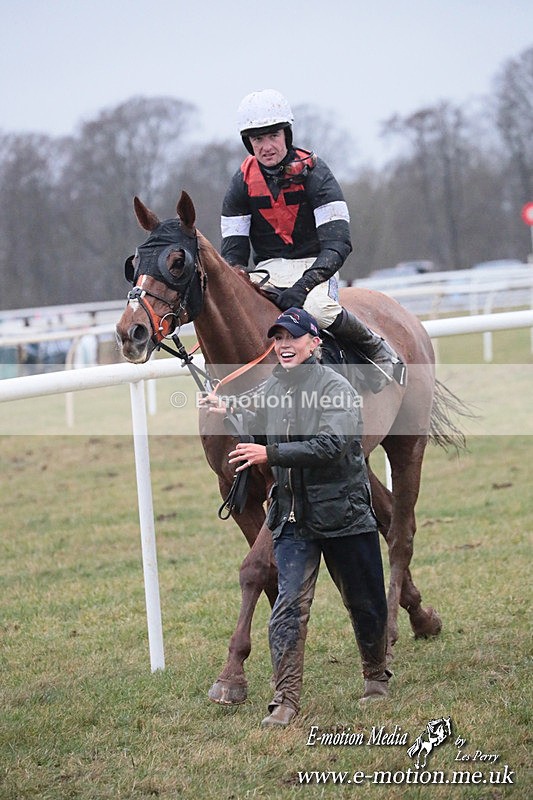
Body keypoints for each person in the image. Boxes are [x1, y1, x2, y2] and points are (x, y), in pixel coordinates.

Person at [202, 307, 390, 727]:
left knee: (365, 604)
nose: (284, 345)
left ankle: (376, 676)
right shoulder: (274, 386)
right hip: (292, 518)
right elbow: (254, 413)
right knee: (288, 609)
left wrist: (269, 454)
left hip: (344, 516)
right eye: (279, 338)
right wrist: (224, 407)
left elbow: (331, 445)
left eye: (293, 337)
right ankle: (285, 700)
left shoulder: (337, 388)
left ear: (314, 343)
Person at [221, 88, 399, 392]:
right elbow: (233, 256)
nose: (266, 146)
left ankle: (375, 347)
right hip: (267, 271)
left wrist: (302, 287)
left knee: (318, 309)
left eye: (273, 136)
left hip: (315, 266)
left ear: (286, 135)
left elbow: (339, 244)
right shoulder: (241, 182)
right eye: (258, 139)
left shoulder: (316, 172)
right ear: (248, 142)